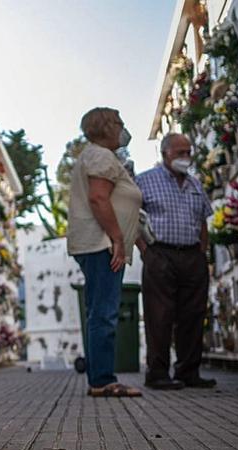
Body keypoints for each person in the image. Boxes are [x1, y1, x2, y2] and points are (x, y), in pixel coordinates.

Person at [66, 107, 143, 397]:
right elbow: (99, 199)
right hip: (102, 245)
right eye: (120, 123)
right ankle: (102, 381)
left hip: (97, 244)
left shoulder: (95, 155)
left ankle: (100, 378)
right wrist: (118, 239)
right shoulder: (100, 155)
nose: (124, 128)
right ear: (107, 126)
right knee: (104, 312)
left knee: (98, 311)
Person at [135, 133, 216, 390]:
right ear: (165, 154)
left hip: (192, 255)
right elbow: (132, 218)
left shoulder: (194, 184)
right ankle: (157, 373)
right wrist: (145, 250)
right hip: (160, 253)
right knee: (159, 315)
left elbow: (203, 220)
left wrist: (201, 253)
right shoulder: (146, 180)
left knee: (193, 314)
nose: (185, 158)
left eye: (188, 152)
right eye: (179, 153)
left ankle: (188, 371)